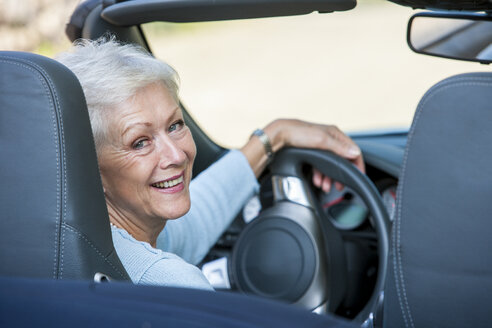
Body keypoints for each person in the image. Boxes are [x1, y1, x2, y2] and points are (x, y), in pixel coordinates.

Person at [56, 38, 364, 290]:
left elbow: (196, 221)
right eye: (140, 142)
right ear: (88, 169)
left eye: (175, 125)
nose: (176, 156)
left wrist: (275, 135)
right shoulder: (174, 284)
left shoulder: (67, 241)